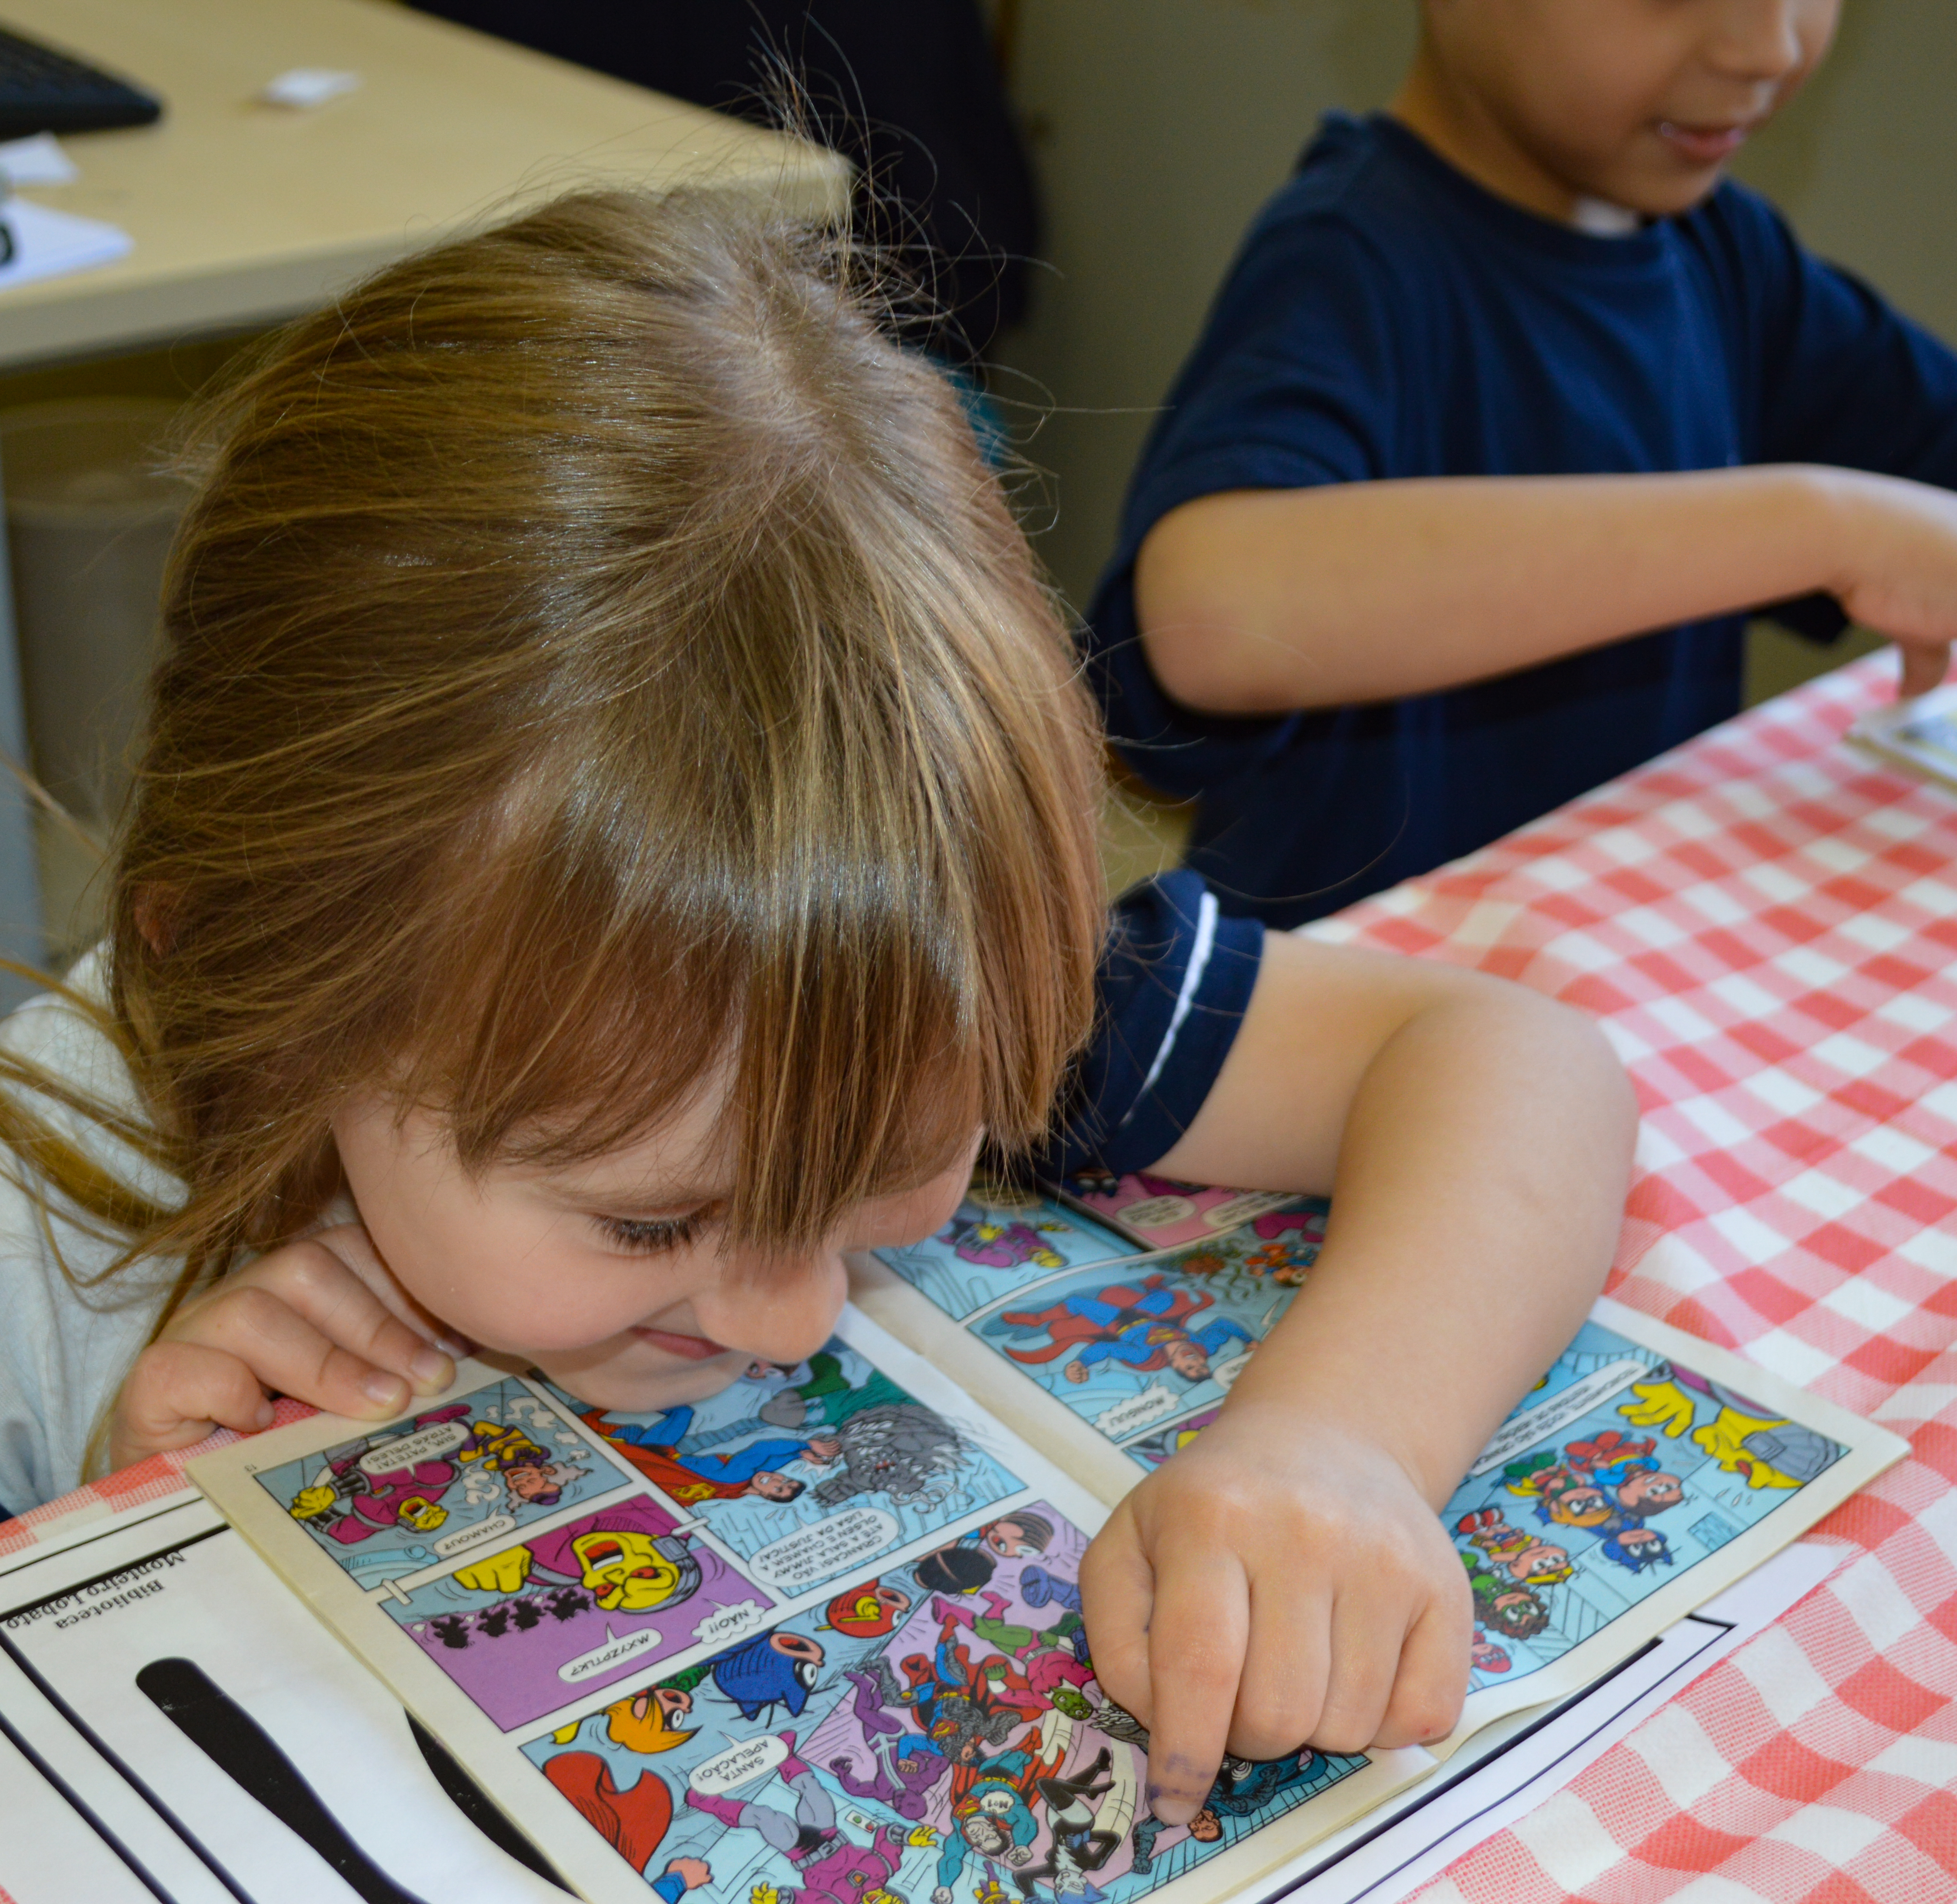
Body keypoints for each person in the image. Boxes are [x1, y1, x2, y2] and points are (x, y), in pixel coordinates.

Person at [0, 188, 1633, 1825]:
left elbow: (1516, 1062)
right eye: (650, 1226)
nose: (792, 1320)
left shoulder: (913, 947)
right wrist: (120, 1532)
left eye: (883, 1179)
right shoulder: (34, 1241)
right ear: (277, 1006)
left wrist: (1341, 1439)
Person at [1087, 0, 1957, 925]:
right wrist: (1820, 528)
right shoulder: (1349, 257)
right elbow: (1206, 622)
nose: (1767, 48)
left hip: (1606, 959)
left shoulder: (1726, 256)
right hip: (1358, 1012)